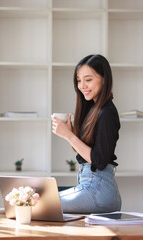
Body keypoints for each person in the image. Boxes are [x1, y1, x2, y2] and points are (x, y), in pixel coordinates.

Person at [51, 54, 121, 214]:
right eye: (78, 80)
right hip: (93, 187)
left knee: (37, 203)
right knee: (38, 196)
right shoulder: (94, 110)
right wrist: (70, 133)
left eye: (88, 80)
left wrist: (69, 136)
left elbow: (99, 161)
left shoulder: (107, 112)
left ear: (104, 79)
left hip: (98, 190)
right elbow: (88, 155)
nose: (82, 85)